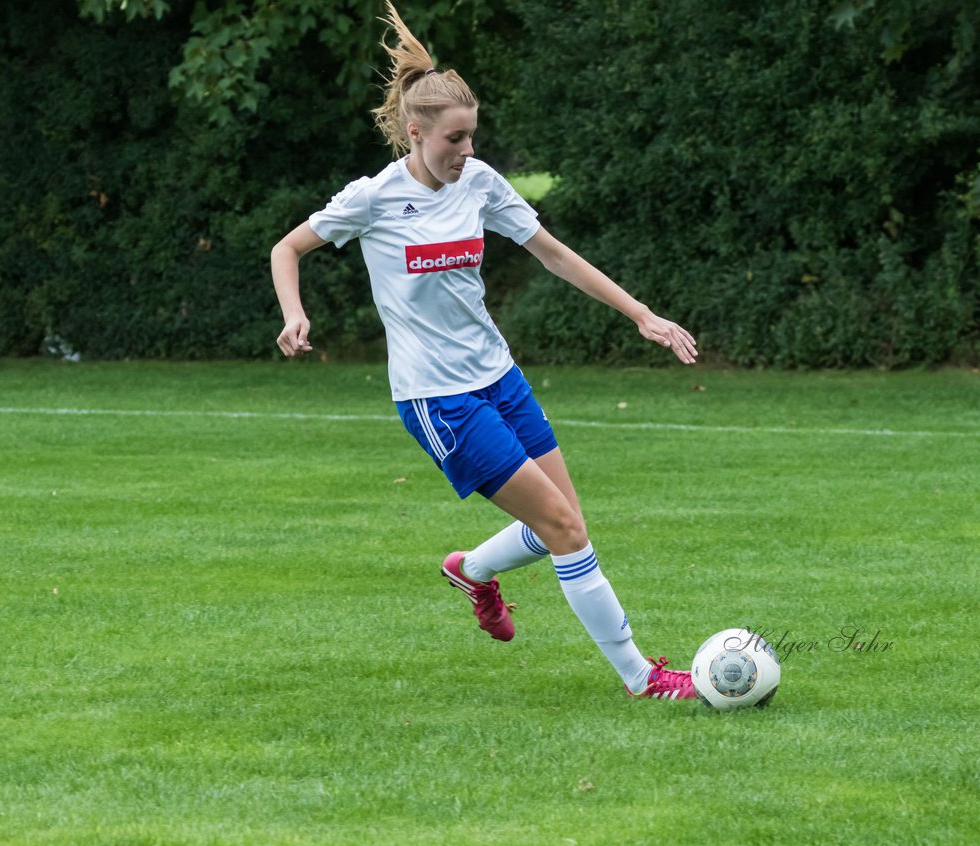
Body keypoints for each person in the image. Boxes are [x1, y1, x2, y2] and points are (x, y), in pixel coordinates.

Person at [270, 2, 700, 700]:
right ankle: (643, 677)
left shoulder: (479, 182)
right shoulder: (373, 199)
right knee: (560, 526)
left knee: (564, 519)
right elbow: (287, 247)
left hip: (500, 376)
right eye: (455, 139)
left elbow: (553, 255)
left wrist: (640, 314)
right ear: (416, 132)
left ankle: (470, 570)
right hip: (437, 397)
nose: (467, 151)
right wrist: (295, 312)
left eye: (473, 137)